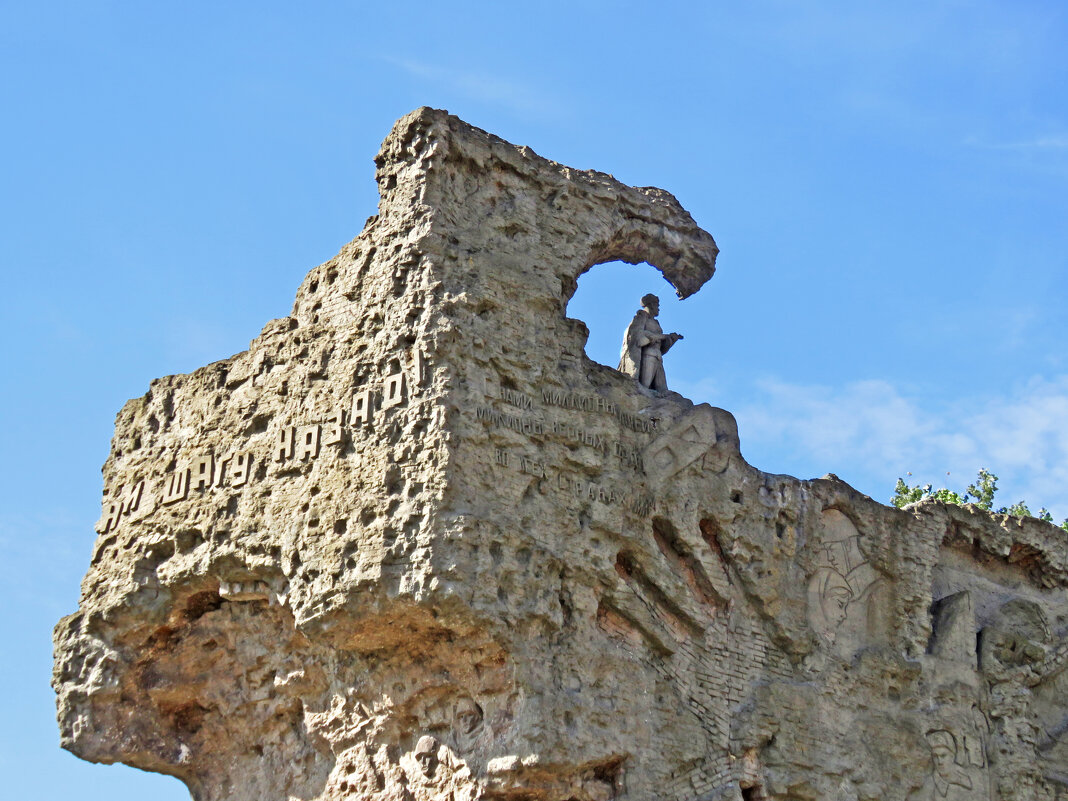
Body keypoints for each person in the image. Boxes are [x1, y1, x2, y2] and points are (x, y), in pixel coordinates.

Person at [618, 294, 683, 392]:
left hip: (658, 357)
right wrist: (658, 336)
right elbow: (637, 338)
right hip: (649, 356)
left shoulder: (656, 323)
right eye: (657, 305)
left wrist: (671, 339)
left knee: (663, 391)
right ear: (651, 305)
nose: (659, 308)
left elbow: (662, 348)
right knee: (644, 389)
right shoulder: (640, 317)